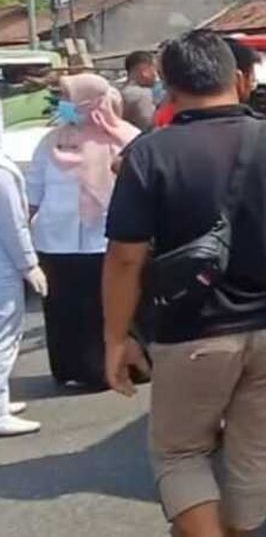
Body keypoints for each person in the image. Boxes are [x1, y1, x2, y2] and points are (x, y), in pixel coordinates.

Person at [102, 29, 266, 537]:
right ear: (237, 77)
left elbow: (123, 258)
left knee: (180, 453)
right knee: (254, 454)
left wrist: (116, 338)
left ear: (167, 83)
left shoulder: (150, 153)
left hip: (191, 331)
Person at [27, 73, 140, 389]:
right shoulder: (51, 141)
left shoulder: (127, 140)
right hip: (56, 242)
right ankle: (69, 368)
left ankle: (111, 369)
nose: (63, 106)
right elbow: (34, 191)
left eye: (68, 99)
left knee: (105, 309)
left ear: (90, 102)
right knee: (63, 309)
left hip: (106, 241)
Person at [0, 143, 48, 436]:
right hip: (4, 264)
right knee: (5, 335)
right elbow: (13, 225)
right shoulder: (2, 172)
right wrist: (29, 264)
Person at [119, 50, 160, 132]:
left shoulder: (121, 93)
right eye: (154, 70)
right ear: (144, 71)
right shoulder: (142, 95)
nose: (156, 76)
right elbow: (151, 126)